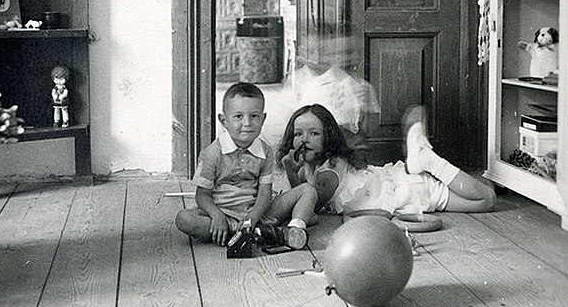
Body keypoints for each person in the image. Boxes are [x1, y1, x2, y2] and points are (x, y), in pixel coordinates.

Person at [276, 104, 496, 218]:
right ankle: (426, 159)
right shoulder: (320, 168)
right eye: (298, 134)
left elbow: (307, 202)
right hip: (400, 182)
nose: (304, 140)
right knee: (482, 190)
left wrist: (292, 171)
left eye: (314, 134)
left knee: (486, 200)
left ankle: (429, 161)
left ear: (328, 137)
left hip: (408, 191)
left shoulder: (329, 173)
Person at [175, 82, 309, 249]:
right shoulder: (212, 153)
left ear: (263, 118)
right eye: (238, 116)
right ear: (224, 121)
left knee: (308, 191)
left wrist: (252, 217)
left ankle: (293, 229)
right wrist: (216, 216)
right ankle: (265, 233)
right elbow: (202, 196)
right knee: (184, 219)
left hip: (259, 213)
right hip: (223, 214)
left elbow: (264, 194)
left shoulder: (265, 151)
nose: (247, 123)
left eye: (254, 116)